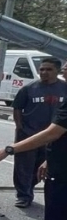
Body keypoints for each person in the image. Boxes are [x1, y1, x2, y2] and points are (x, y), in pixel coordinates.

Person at [11, 58, 67, 208]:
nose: (44, 72)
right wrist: (20, 127)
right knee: (23, 167)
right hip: (29, 134)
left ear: (57, 71)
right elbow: (17, 107)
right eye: (42, 69)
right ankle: (24, 195)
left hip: (53, 137)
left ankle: (31, 186)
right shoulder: (29, 88)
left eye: (48, 70)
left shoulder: (64, 88)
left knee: (41, 168)